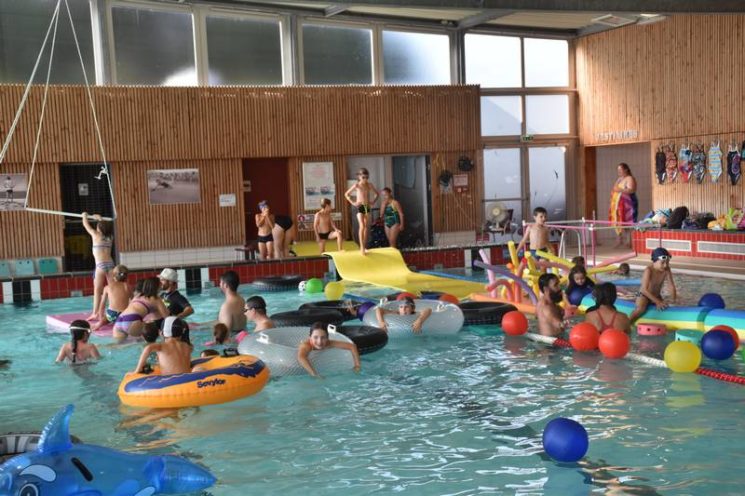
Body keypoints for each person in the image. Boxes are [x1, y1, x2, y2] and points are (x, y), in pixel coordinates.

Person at [112, 277, 169, 342]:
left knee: (120, 345)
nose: (161, 287)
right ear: (156, 287)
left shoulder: (137, 296)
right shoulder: (156, 299)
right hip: (132, 320)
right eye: (160, 285)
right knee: (150, 337)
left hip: (119, 320)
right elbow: (167, 317)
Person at [629, 248, 677, 323]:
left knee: (665, 306)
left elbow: (671, 286)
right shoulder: (649, 270)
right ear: (654, 261)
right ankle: (627, 324)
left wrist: (674, 300)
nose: (665, 265)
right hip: (642, 294)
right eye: (662, 262)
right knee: (640, 309)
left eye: (667, 262)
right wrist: (657, 302)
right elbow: (644, 290)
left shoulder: (667, 269)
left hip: (656, 295)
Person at [297, 322, 361, 378]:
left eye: (323, 337)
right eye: (315, 337)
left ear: (327, 338)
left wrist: (357, 365)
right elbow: (301, 357)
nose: (319, 342)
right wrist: (314, 374)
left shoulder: (328, 343)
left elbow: (352, 346)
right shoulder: (307, 345)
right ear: (310, 337)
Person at [82, 212, 114, 322]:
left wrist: (84, 216)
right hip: (110, 264)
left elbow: (86, 225)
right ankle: (113, 309)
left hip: (100, 266)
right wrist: (100, 219)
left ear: (99, 228)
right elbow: (105, 227)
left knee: (97, 291)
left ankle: (95, 313)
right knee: (112, 289)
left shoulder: (96, 235)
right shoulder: (110, 237)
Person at [344, 168, 379, 255]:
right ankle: (362, 247)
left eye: (367, 177)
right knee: (362, 226)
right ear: (359, 177)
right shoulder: (357, 185)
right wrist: (353, 202)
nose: (365, 179)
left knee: (366, 227)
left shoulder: (369, 185)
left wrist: (372, 202)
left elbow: (377, 194)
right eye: (363, 177)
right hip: (360, 206)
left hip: (366, 206)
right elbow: (346, 194)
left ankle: (364, 246)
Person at [92, 265, 131, 331]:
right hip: (124, 316)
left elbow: (102, 305)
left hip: (111, 315)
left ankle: (100, 323)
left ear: (113, 276)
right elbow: (134, 301)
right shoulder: (127, 286)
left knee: (106, 318)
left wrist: (101, 318)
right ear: (126, 276)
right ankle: (122, 323)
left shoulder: (107, 287)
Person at [609, 162, 638, 248]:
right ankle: (620, 239)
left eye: (620, 169)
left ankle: (629, 241)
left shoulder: (630, 178)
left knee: (628, 221)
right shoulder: (619, 179)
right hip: (618, 204)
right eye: (618, 170)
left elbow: (631, 190)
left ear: (626, 169)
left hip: (628, 204)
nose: (618, 171)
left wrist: (619, 190)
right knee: (618, 221)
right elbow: (615, 189)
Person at [536, 273, 566, 337]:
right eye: (556, 285)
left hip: (549, 340)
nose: (559, 288)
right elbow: (556, 323)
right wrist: (566, 324)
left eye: (558, 284)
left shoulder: (542, 302)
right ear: (546, 289)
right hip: (552, 344)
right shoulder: (547, 307)